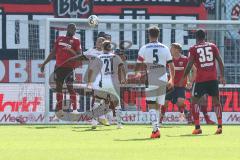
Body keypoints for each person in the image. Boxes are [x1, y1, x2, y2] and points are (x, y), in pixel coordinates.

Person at [182, 29, 225, 135]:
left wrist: (184, 76)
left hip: (200, 79)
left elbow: (190, 63)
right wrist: (222, 76)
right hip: (213, 78)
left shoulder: (193, 48)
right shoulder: (213, 46)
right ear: (204, 36)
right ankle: (219, 126)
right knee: (216, 101)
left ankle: (197, 127)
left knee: (194, 101)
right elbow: (220, 61)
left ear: (196, 38)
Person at [136, 26, 174, 138]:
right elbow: (171, 65)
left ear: (149, 35)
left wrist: (138, 73)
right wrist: (172, 79)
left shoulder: (144, 48)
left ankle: (155, 130)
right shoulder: (164, 48)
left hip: (151, 77)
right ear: (158, 35)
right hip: (163, 77)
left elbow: (138, 63)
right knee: (158, 105)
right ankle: (156, 128)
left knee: (151, 105)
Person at [40, 23, 83, 112]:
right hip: (59, 67)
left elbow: (79, 55)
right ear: (67, 29)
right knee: (58, 88)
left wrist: (70, 49)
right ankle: (60, 110)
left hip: (70, 68)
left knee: (70, 87)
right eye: (72, 28)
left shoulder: (76, 41)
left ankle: (74, 109)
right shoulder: (60, 39)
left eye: (75, 29)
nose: (73, 31)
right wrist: (44, 64)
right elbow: (53, 53)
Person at [87, 40, 126, 129]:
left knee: (97, 101)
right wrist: (123, 78)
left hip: (102, 82)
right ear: (110, 47)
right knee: (117, 103)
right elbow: (121, 66)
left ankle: (94, 122)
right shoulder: (115, 56)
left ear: (102, 47)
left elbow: (91, 69)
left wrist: (89, 82)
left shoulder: (99, 57)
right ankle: (119, 124)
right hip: (113, 82)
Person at [159, 43, 193, 124]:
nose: (170, 50)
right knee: (165, 103)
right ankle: (159, 121)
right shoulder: (168, 60)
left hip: (180, 86)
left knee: (180, 102)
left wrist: (189, 81)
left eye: (172, 48)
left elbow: (189, 71)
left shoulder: (185, 59)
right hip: (170, 86)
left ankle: (187, 117)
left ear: (177, 50)